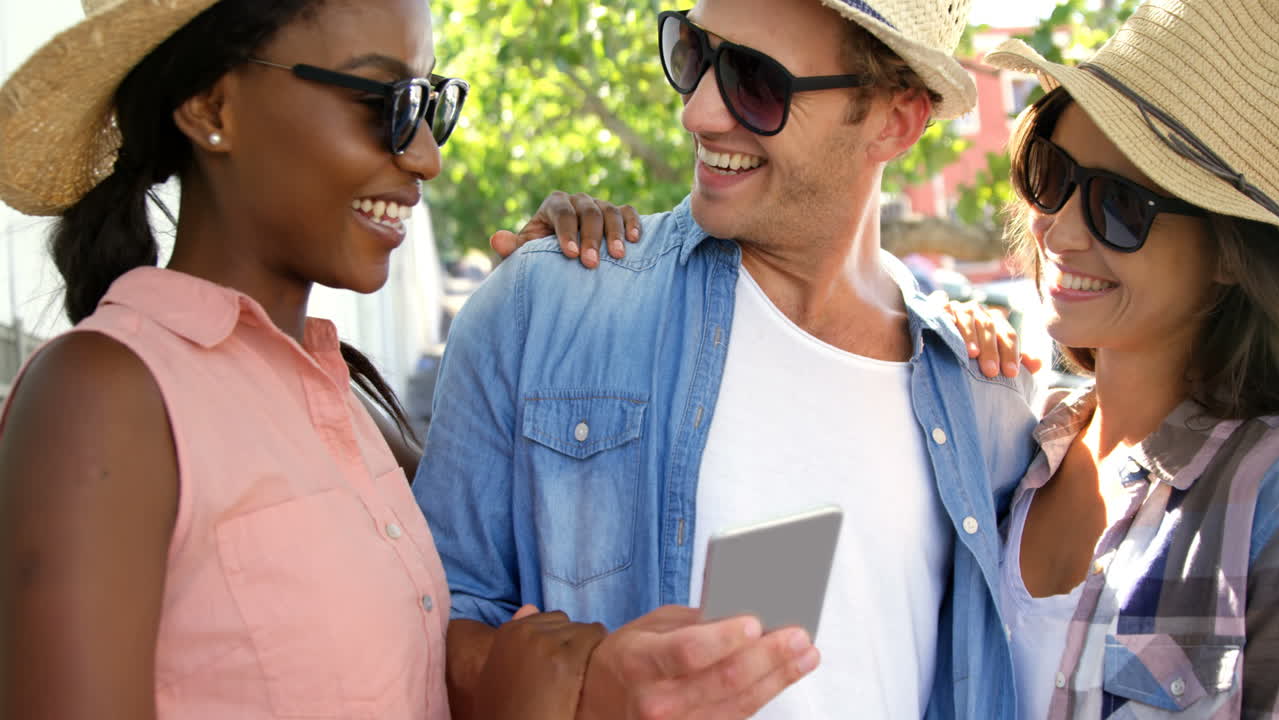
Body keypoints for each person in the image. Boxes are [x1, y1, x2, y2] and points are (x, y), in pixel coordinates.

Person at [0, 1, 735, 718]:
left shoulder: (349, 401)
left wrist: (556, 297)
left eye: (429, 105)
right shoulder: (105, 400)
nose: (426, 155)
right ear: (213, 109)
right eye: (384, 101)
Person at [415, 0, 1044, 717]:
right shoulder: (543, 308)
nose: (699, 113)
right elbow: (420, 626)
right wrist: (585, 690)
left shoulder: (985, 398)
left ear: (894, 121)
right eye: (694, 53)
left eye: (755, 81)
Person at [974, 1, 1279, 715]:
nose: (1061, 231)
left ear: (1230, 254)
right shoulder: (1003, 446)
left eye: (1120, 205)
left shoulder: (1263, 497)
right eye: (1052, 174)